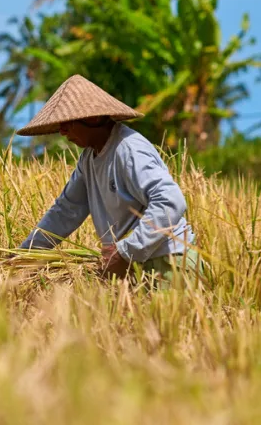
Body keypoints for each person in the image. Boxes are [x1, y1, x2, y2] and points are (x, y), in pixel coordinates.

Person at [16, 74, 199, 282]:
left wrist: (125, 251)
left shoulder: (128, 149)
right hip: (136, 266)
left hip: (168, 264)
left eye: (67, 122)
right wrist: (23, 256)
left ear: (93, 118)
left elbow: (170, 200)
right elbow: (65, 211)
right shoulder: (88, 159)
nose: (63, 131)